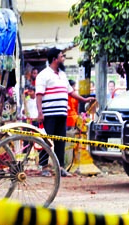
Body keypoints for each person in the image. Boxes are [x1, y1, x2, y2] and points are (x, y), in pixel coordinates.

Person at [35, 48, 93, 177]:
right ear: (55, 59)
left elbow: (70, 92)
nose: (63, 59)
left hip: (62, 113)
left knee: (60, 141)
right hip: (48, 114)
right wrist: (40, 113)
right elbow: (39, 95)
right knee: (46, 140)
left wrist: (83, 99)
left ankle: (60, 167)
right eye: (62, 56)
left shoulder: (62, 75)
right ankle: (44, 166)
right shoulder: (43, 75)